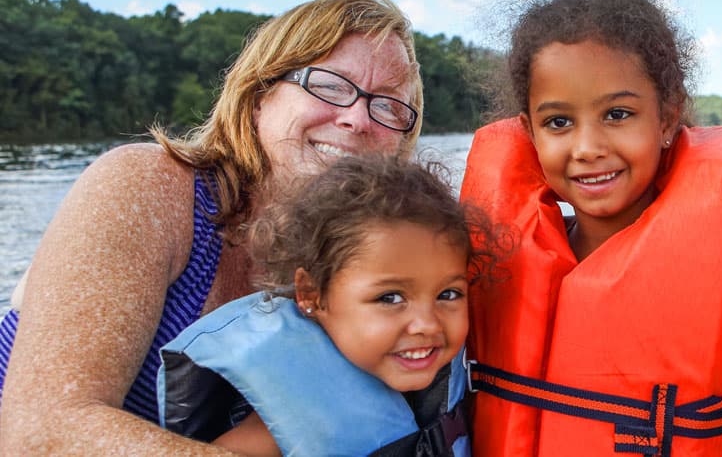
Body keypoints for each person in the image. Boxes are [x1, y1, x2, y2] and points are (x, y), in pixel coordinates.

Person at [0, 0, 425, 453]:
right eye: (329, 84)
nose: (357, 119)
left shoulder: (371, 268)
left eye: (387, 105)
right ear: (259, 96)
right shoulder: (150, 187)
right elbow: (40, 432)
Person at [460, 0, 722, 456]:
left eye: (617, 115)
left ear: (668, 117)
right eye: (559, 122)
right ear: (529, 132)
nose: (588, 148)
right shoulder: (491, 265)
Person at [157, 156, 482, 457]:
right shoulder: (275, 428)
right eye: (390, 298)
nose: (427, 324)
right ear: (312, 295)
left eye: (448, 295)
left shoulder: (454, 379)